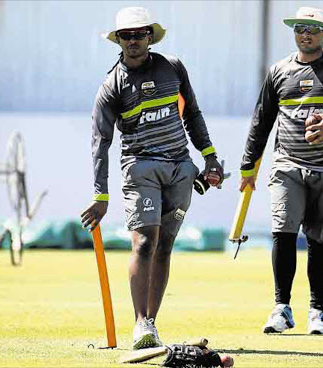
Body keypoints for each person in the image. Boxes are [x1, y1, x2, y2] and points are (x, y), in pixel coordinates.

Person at [81, 7, 224, 349]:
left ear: (150, 36)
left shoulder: (172, 67)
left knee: (164, 247)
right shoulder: (111, 85)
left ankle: (152, 324)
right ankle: (139, 324)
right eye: (125, 36)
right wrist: (101, 196)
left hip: (180, 169)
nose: (133, 41)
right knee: (145, 242)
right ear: (118, 40)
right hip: (140, 168)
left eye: (139, 34)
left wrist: (210, 157)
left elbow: (192, 113)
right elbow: (100, 143)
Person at [239, 7, 323, 335]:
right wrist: (248, 165)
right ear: (295, 32)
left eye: (314, 29)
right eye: (301, 28)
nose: (306, 34)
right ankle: (281, 308)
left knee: (318, 239)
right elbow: (262, 120)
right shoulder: (279, 71)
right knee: (282, 232)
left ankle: (317, 311)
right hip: (287, 165)